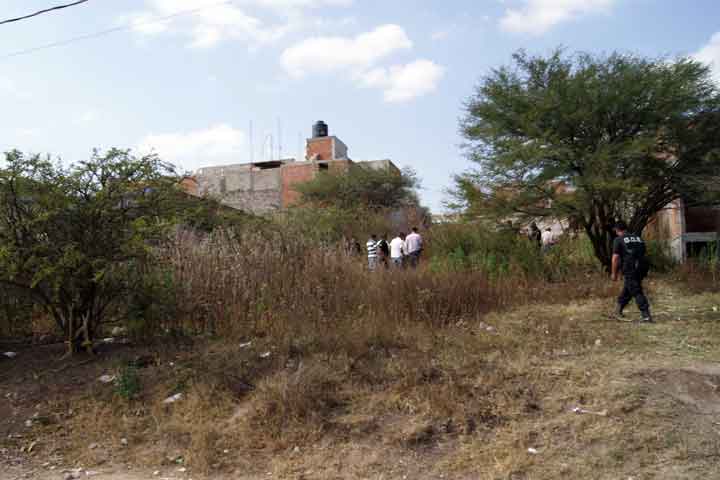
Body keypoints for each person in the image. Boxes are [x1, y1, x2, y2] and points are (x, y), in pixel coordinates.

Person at [611, 221, 652, 323]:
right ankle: (618, 310)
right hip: (643, 266)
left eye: (615, 231)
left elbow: (615, 258)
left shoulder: (618, 239)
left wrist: (614, 273)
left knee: (636, 290)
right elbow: (644, 252)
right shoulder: (638, 238)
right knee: (629, 287)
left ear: (617, 230)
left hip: (631, 267)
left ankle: (646, 315)